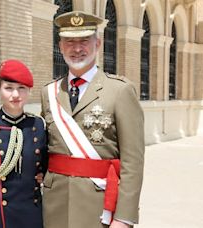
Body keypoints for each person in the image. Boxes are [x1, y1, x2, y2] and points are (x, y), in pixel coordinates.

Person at [41, 11, 145, 228]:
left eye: (84, 41)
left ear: (97, 44)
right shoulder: (49, 92)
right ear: (60, 46)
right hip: (55, 206)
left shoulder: (120, 91)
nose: (77, 48)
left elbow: (132, 162)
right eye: (69, 41)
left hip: (99, 207)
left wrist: (124, 218)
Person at [0, 59, 47, 228]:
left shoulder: (38, 125)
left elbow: (47, 164)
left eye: (21, 88)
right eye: (8, 88)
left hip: (31, 213)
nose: (15, 95)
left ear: (29, 90)